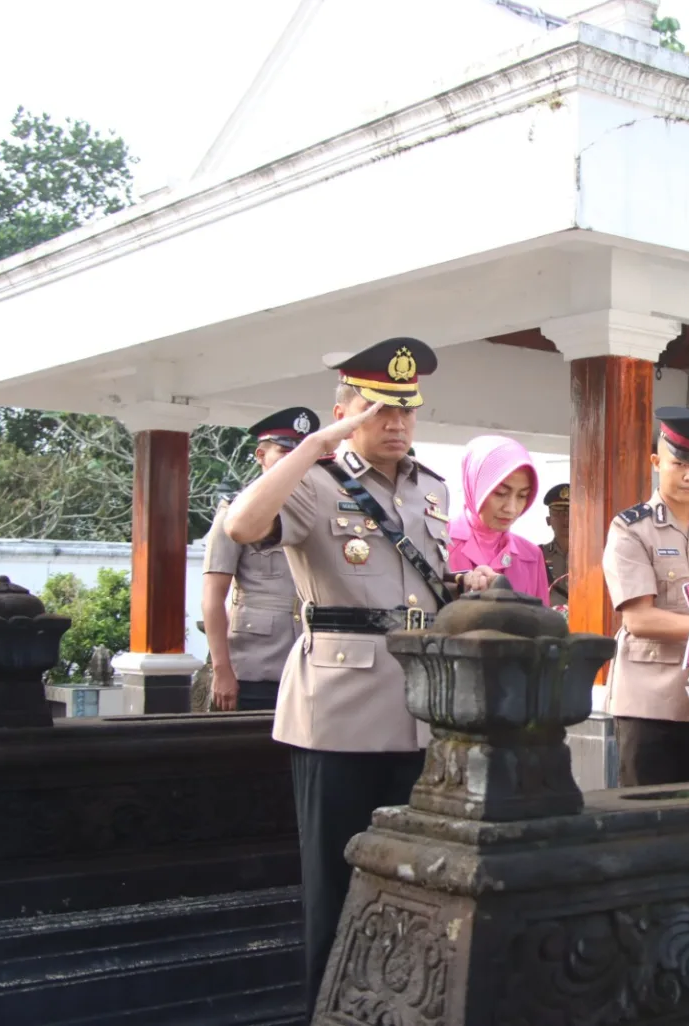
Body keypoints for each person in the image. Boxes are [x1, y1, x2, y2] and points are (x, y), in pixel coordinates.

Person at [223, 338, 496, 1016]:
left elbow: (414, 585)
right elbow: (243, 523)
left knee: (413, 876)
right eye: (378, 411)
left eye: (406, 411)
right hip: (339, 712)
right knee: (336, 883)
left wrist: (462, 584)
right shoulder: (314, 481)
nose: (396, 424)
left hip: (419, 709)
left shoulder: (431, 487)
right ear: (344, 412)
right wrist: (315, 447)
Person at [603, 406, 689, 787]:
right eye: (680, 464)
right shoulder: (631, 529)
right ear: (657, 463)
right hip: (649, 704)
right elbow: (639, 619)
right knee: (646, 815)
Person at [201, 407, 317, 712]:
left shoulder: (321, 512)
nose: (295, 461)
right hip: (257, 665)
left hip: (313, 663)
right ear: (261, 455)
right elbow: (212, 597)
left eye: (303, 454)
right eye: (285, 452)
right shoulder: (234, 513)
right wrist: (221, 669)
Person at [447, 435, 550, 603]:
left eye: (522, 496)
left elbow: (541, 617)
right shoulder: (437, 543)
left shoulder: (531, 556)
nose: (511, 508)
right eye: (500, 493)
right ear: (475, 485)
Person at [542, 483, 570, 607]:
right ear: (548, 520)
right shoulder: (538, 555)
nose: (566, 518)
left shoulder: (594, 557)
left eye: (570, 512)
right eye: (558, 513)